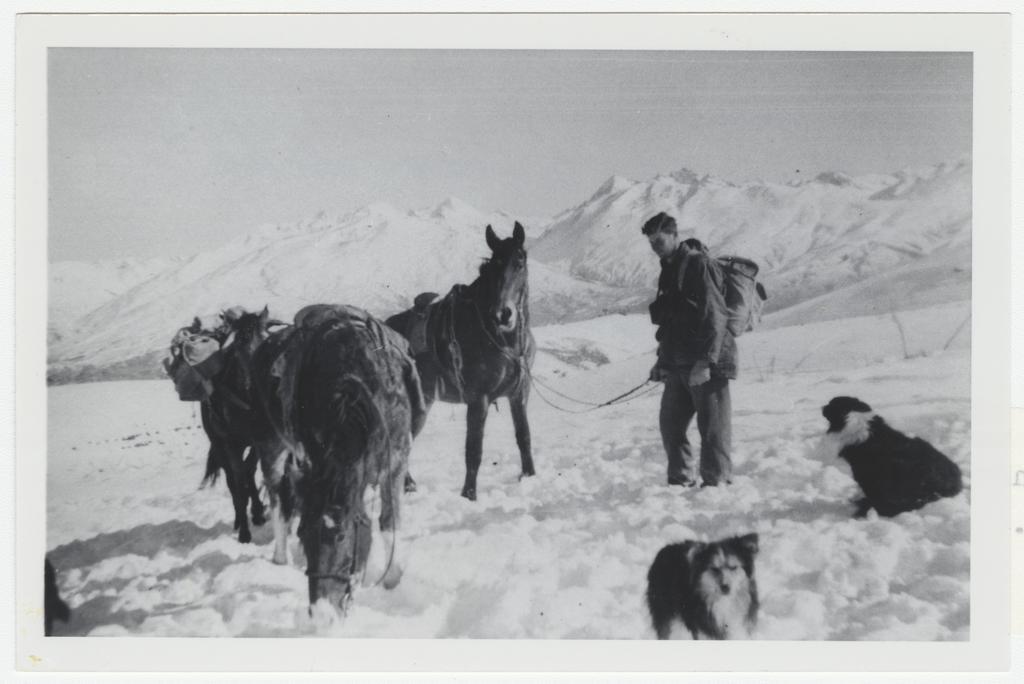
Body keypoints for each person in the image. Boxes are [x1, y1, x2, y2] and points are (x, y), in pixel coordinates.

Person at [642, 212, 736, 488]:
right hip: (678, 364)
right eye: (651, 242)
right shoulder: (669, 268)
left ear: (674, 235)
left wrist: (706, 363)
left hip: (708, 363)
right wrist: (661, 361)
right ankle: (680, 480)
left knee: (713, 429)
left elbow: (716, 316)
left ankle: (716, 483)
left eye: (658, 240)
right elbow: (670, 322)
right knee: (670, 425)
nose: (654, 246)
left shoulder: (699, 265)